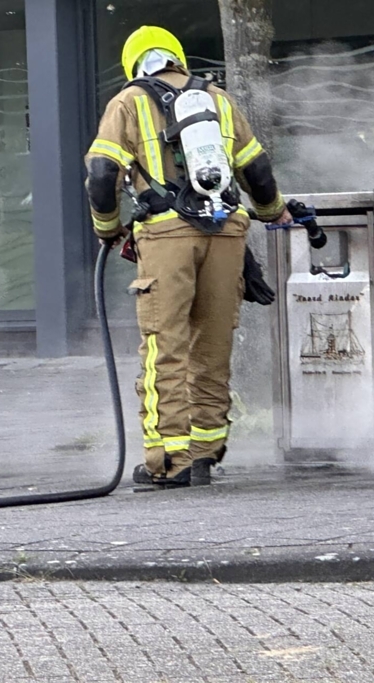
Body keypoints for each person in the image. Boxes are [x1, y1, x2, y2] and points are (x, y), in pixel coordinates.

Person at [84, 26, 294, 488]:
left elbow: (101, 174)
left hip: (167, 236)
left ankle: (168, 461)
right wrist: (273, 212)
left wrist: (108, 228)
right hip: (226, 233)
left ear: (132, 64)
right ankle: (204, 454)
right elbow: (256, 170)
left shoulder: (128, 102)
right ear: (178, 58)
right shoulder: (218, 99)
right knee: (213, 348)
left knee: (165, 347)